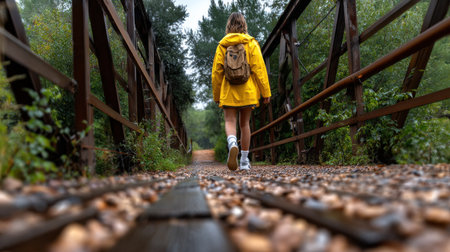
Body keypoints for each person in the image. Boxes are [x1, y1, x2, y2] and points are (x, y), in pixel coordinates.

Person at [211, 12, 271, 171]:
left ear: (228, 26)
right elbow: (259, 69)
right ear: (244, 25)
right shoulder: (251, 43)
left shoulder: (222, 45)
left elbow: (216, 73)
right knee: (245, 124)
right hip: (248, 91)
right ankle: (244, 161)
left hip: (229, 90)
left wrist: (216, 95)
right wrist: (266, 92)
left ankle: (232, 143)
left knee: (230, 122)